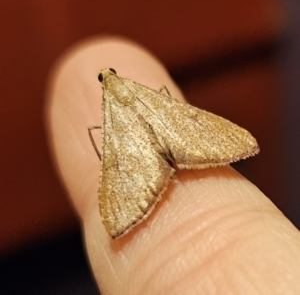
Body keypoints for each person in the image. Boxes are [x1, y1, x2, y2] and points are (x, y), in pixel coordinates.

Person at [46, 37, 300, 294]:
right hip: (161, 125)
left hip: (130, 144)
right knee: (164, 98)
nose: (106, 77)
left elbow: (94, 132)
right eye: (105, 76)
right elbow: (164, 94)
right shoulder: (134, 91)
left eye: (106, 75)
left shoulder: (110, 105)